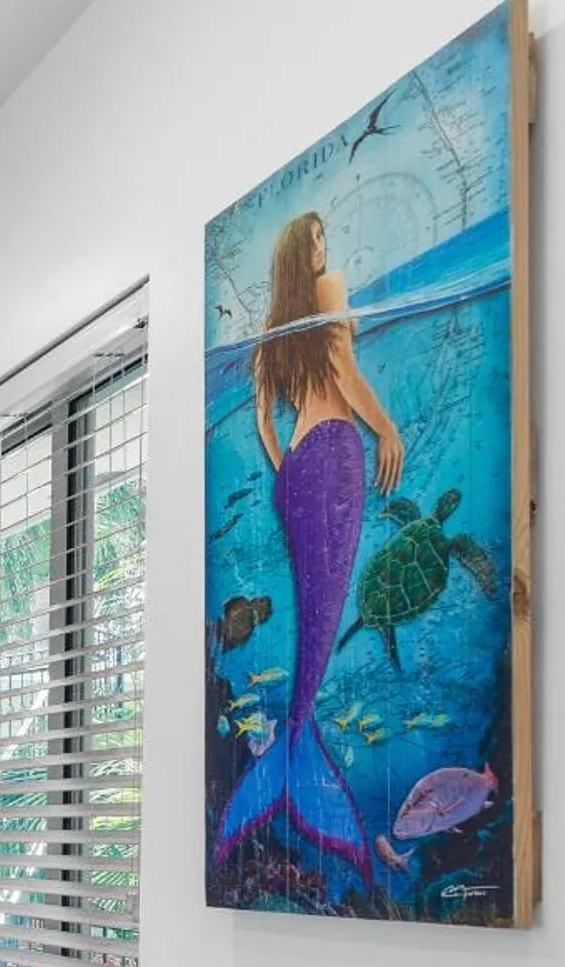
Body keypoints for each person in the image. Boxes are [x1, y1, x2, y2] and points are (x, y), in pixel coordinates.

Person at [214, 211, 403, 889]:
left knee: (313, 617)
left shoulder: (269, 334)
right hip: (334, 454)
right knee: (323, 619)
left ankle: (291, 753)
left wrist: (286, 466)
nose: (327, 250)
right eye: (319, 241)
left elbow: (267, 420)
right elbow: (344, 367)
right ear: (306, 254)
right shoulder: (332, 289)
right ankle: (298, 750)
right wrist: (385, 428)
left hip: (296, 468)